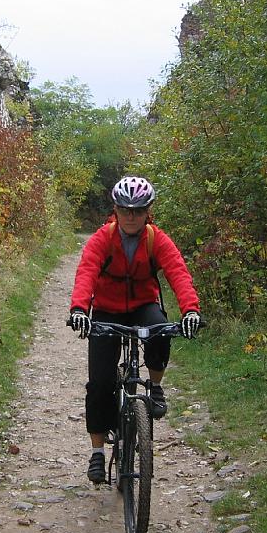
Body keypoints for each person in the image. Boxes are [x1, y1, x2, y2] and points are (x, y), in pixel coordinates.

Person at [69, 176, 201, 483]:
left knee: (161, 329)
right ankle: (97, 452)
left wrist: (191, 311)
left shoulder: (157, 239)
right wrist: (79, 310)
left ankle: (154, 386)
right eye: (125, 210)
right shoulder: (103, 238)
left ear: (148, 211)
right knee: (100, 384)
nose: (131, 216)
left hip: (142, 304)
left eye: (138, 210)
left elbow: (178, 273)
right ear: (115, 210)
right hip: (107, 308)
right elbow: (87, 271)